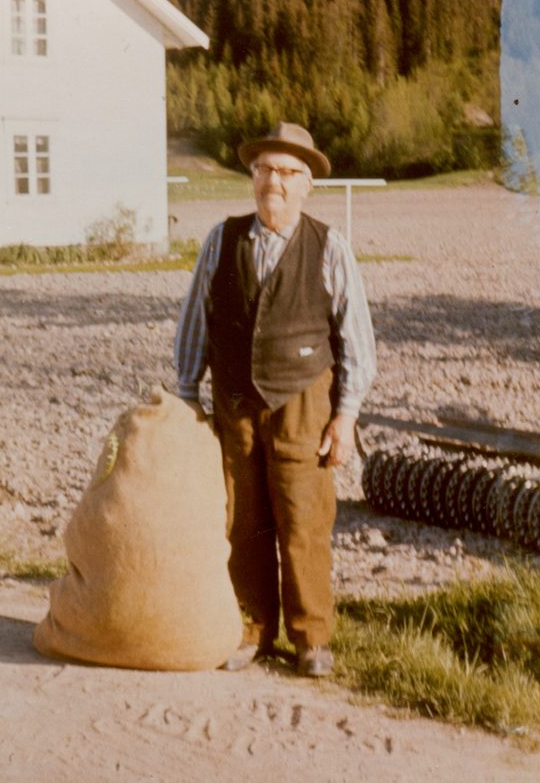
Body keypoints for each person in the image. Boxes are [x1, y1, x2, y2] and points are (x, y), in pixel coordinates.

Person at [174, 121, 377, 677]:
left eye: (288, 172)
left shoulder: (329, 245)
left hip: (303, 401)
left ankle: (311, 639)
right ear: (252, 177)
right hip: (235, 402)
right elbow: (197, 320)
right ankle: (252, 631)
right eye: (265, 169)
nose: (275, 182)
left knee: (303, 518)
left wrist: (347, 414)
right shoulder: (222, 239)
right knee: (243, 519)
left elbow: (356, 337)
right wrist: (188, 395)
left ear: (307, 183)